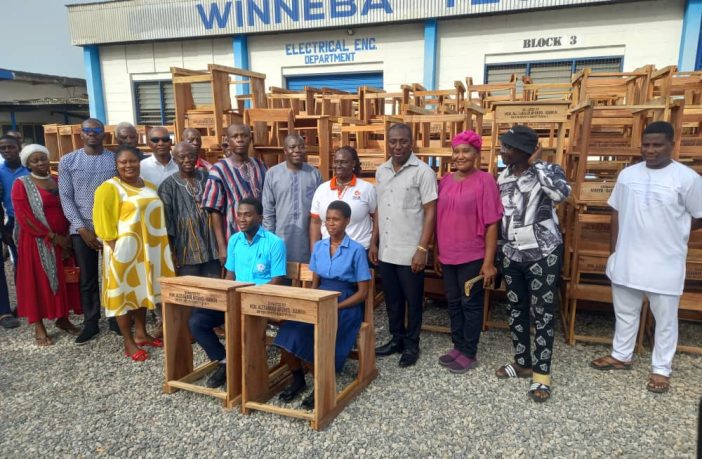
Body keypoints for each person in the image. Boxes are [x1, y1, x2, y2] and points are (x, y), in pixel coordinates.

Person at [590, 121, 702, 394]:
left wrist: (677, 227)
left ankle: (661, 369)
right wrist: (614, 251)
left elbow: (700, 215)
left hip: (666, 261)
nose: (650, 150)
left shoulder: (688, 179)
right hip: (628, 257)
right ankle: (621, 355)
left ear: (671, 145)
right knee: (625, 312)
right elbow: (615, 211)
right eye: (646, 144)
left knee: (665, 319)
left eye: (657, 145)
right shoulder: (628, 175)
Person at [494, 125, 570, 403]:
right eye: (502, 145)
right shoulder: (502, 177)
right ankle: (523, 362)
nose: (502, 150)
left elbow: (561, 195)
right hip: (512, 254)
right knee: (515, 309)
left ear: (525, 151)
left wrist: (537, 164)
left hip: (543, 254)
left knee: (543, 313)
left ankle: (542, 375)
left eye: (508, 147)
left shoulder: (550, 171)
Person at [276, 200, 372, 408]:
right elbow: (315, 282)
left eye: (336, 219)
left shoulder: (356, 250)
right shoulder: (319, 247)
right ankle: (298, 379)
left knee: (316, 333)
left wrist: (336, 307)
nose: (330, 223)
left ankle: (322, 381)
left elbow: (363, 293)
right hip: (319, 299)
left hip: (345, 304)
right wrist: (309, 303)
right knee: (288, 329)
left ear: (347, 221)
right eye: (327, 219)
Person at [189, 198, 286, 388]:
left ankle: (246, 371)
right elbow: (230, 275)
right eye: (239, 214)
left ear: (260, 217)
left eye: (248, 215)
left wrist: (250, 298)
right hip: (234, 299)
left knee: (238, 321)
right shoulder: (234, 240)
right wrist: (222, 297)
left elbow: (276, 281)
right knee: (196, 320)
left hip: (260, 300)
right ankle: (225, 361)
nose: (242, 219)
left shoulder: (275, 243)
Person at [93, 145, 175, 361]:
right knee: (123, 295)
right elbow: (102, 224)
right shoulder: (109, 188)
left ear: (140, 162)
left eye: (133, 161)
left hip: (149, 251)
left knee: (141, 291)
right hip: (123, 252)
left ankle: (141, 333)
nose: (128, 165)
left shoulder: (148, 186)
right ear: (117, 165)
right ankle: (128, 341)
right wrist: (118, 253)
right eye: (123, 162)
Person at [433, 131, 503, 373]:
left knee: (470, 303)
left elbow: (492, 222)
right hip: (448, 254)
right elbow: (439, 219)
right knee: (452, 302)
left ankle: (470, 352)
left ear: (476, 154)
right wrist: (437, 252)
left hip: (473, 255)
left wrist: (489, 261)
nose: (460, 156)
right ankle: (458, 345)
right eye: (456, 151)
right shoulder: (445, 181)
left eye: (466, 151)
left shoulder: (485, 181)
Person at [371, 123, 437, 367]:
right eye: (393, 141)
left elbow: (431, 212)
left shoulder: (423, 172)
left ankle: (412, 344)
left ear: (412, 142)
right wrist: (374, 241)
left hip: (411, 252)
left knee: (413, 300)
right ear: (387, 143)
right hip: (387, 249)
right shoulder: (382, 171)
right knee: (392, 300)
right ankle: (396, 338)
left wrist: (423, 249)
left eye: (403, 141)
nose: (397, 146)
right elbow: (380, 208)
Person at [12, 145, 81, 344]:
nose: (40, 163)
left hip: (63, 238)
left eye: (43, 159)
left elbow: (68, 205)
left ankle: (63, 318)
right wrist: (50, 235)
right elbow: (24, 217)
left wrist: (68, 234)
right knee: (38, 283)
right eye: (35, 160)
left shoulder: (58, 180)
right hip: (38, 242)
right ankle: (39, 327)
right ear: (28, 164)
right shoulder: (22, 184)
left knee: (64, 279)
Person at [58, 118, 117, 343]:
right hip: (81, 227)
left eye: (96, 131)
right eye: (87, 131)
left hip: (111, 227)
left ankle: (115, 319)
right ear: (80, 134)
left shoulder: (113, 160)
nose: (92, 134)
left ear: (104, 134)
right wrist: (81, 228)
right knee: (88, 278)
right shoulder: (68, 161)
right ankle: (91, 322)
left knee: (113, 275)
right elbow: (66, 196)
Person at [202, 124, 267, 268]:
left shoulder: (259, 165)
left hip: (261, 238)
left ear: (250, 139)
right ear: (228, 140)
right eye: (235, 136)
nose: (240, 140)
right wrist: (222, 246)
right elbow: (214, 210)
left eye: (244, 136)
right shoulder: (218, 170)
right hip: (234, 238)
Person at [158, 142, 219, 277]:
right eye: (182, 157)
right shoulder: (167, 186)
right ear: (174, 160)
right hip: (186, 251)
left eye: (191, 156)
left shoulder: (207, 177)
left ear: (196, 156)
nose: (187, 160)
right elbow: (167, 224)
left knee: (215, 291)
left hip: (212, 247)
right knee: (191, 293)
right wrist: (171, 253)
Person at [262, 134, 322, 263]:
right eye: (292, 147)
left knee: (306, 276)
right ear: (285, 151)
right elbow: (268, 211)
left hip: (307, 238)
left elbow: (319, 211)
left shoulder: (314, 174)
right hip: (280, 236)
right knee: (280, 277)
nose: (297, 151)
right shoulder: (272, 174)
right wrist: (269, 240)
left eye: (301, 147)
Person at [309, 146, 376, 251]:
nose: (339, 166)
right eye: (336, 162)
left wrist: (373, 245)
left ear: (353, 164)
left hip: (360, 250)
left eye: (344, 162)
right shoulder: (322, 189)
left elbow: (377, 219)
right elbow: (315, 222)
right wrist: (314, 251)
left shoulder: (367, 189)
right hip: (329, 251)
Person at [0, 135, 29, 266]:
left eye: (11, 147)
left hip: (34, 219)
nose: (6, 150)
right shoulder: (0, 172)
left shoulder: (30, 169)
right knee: (18, 262)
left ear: (19, 149)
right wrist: (3, 229)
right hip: (12, 221)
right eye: (2, 148)